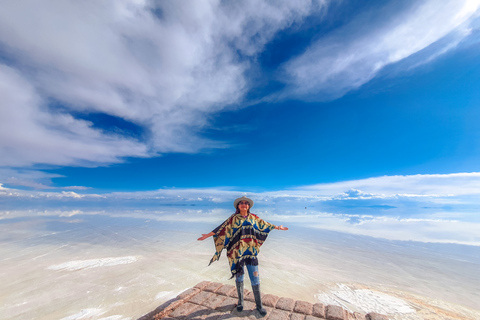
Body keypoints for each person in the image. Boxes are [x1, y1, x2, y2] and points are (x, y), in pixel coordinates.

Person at [197, 196, 288, 317]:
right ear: (238, 206)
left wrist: (278, 227)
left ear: (248, 206)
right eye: (241, 203)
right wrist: (207, 235)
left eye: (246, 203)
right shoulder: (233, 219)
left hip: (250, 253)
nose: (244, 204)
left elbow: (265, 225)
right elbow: (221, 228)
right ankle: (240, 302)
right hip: (237, 254)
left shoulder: (254, 218)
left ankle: (259, 305)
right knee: (239, 278)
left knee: (255, 279)